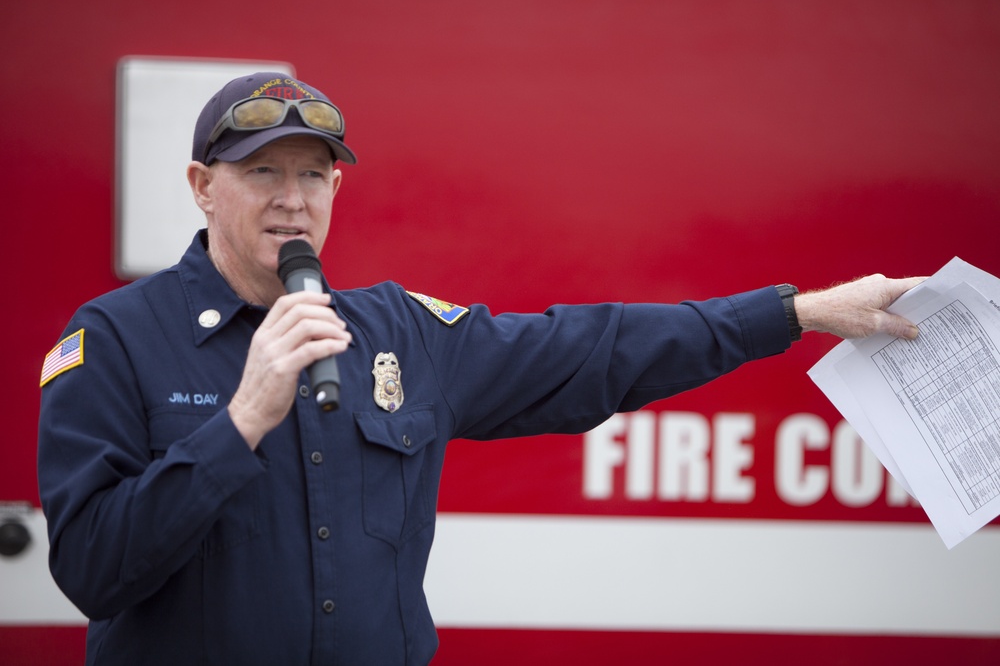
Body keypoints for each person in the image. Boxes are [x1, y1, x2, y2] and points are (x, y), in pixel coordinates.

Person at [37, 72, 924, 666]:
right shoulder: (114, 339)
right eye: (261, 170)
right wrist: (239, 423)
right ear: (202, 185)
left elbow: (596, 348)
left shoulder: (397, 333)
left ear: (337, 190)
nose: (291, 197)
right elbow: (90, 567)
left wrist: (796, 313)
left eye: (313, 174)